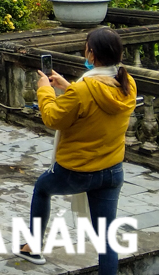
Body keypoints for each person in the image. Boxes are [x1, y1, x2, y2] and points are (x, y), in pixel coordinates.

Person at [16, 28, 137, 274]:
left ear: (91, 54)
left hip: (77, 170)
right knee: (107, 237)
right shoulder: (127, 83)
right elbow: (93, 104)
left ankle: (34, 245)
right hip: (112, 171)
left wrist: (45, 90)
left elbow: (52, 117)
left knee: (42, 188)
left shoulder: (83, 90)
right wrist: (68, 87)